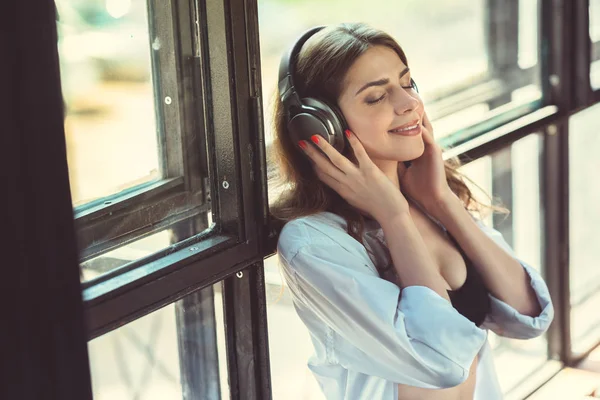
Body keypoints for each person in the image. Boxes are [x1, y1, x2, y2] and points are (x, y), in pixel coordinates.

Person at [269, 23, 554, 400]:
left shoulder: (428, 198)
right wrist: (394, 217)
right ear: (322, 125)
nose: (409, 104)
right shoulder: (314, 242)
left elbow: (529, 316)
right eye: (376, 97)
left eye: (407, 84)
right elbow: (443, 359)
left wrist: (442, 202)